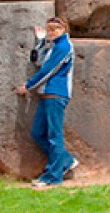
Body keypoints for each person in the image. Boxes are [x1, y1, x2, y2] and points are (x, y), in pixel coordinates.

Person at [16, 17, 78, 188]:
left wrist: (28, 86)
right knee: (37, 133)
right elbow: (37, 60)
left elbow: (48, 70)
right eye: (49, 29)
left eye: (56, 29)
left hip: (56, 94)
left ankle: (53, 176)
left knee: (54, 136)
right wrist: (41, 41)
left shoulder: (64, 46)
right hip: (46, 95)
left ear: (64, 29)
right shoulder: (53, 46)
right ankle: (66, 161)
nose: (52, 32)